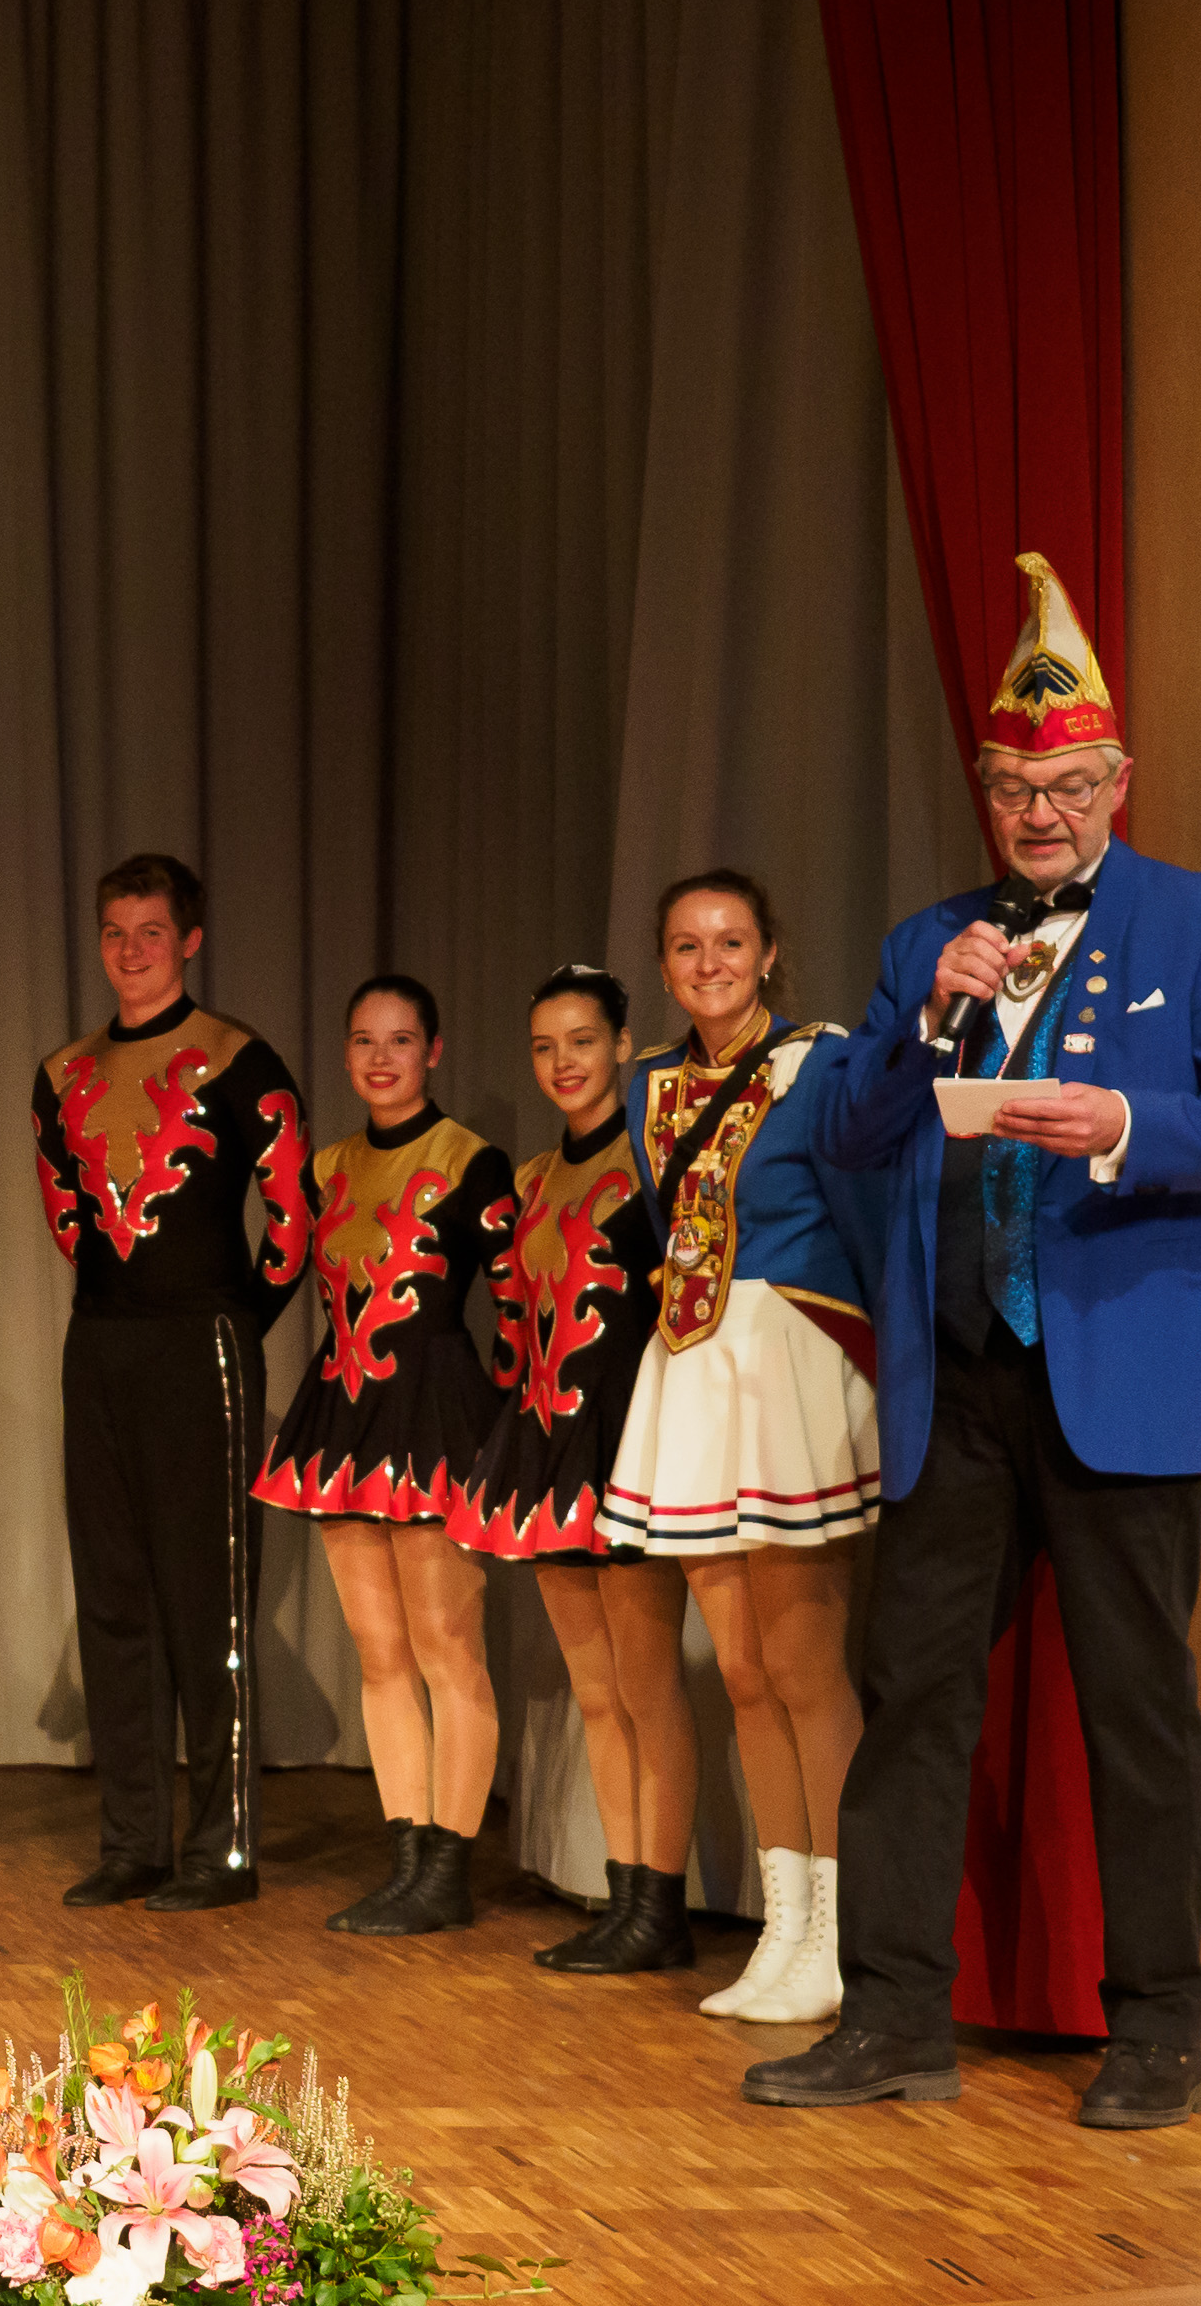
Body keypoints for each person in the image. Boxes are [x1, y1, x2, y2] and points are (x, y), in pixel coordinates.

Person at [758, 556, 1201, 2125]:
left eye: (1068, 787)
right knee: (914, 1697)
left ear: (1117, 782)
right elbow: (850, 1132)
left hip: (1121, 1375)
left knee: (1137, 1710)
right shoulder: (926, 941)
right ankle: (892, 2020)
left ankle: (1157, 2032)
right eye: (1013, 789)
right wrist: (922, 1019)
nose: (1041, 814)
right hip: (956, 1382)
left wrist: (1127, 1123)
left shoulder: (1200, 922)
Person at [600, 869, 882, 2028]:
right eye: (685, 946)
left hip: (790, 1361)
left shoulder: (823, 1062)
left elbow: (867, 1218)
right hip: (692, 1365)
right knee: (744, 1674)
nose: (708, 963)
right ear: (663, 965)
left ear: (769, 952)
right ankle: (783, 1927)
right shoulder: (645, 1086)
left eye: (729, 942)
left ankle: (845, 1938)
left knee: (807, 1668)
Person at [31, 852, 313, 1911]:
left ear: (188, 940)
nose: (131, 951)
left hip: (204, 1344)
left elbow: (294, 1221)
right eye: (115, 932)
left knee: (207, 1604)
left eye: (151, 932)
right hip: (100, 1345)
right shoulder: (62, 1073)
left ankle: (222, 1850)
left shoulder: (239, 1059)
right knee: (113, 1598)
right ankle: (132, 1840)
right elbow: (68, 1218)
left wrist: (229, 1324)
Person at [256, 978, 515, 1937]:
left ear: (432, 1051)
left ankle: (449, 1867)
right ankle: (406, 1859)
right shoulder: (325, 1168)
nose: (380, 1058)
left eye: (400, 1040)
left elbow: (517, 1306)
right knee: (380, 1653)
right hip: (346, 1413)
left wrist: (505, 1426)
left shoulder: (472, 1162)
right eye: (364, 1040)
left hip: (436, 1411)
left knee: (449, 1649)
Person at [450, 966, 697, 1973]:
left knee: (646, 1684)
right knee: (597, 1692)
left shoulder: (655, 1165)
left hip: (630, 1444)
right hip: (549, 1445)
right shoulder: (529, 1181)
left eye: (582, 1042)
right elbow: (515, 1325)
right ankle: (624, 1892)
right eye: (545, 1047)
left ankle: (661, 1904)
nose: (563, 1063)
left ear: (623, 1045)